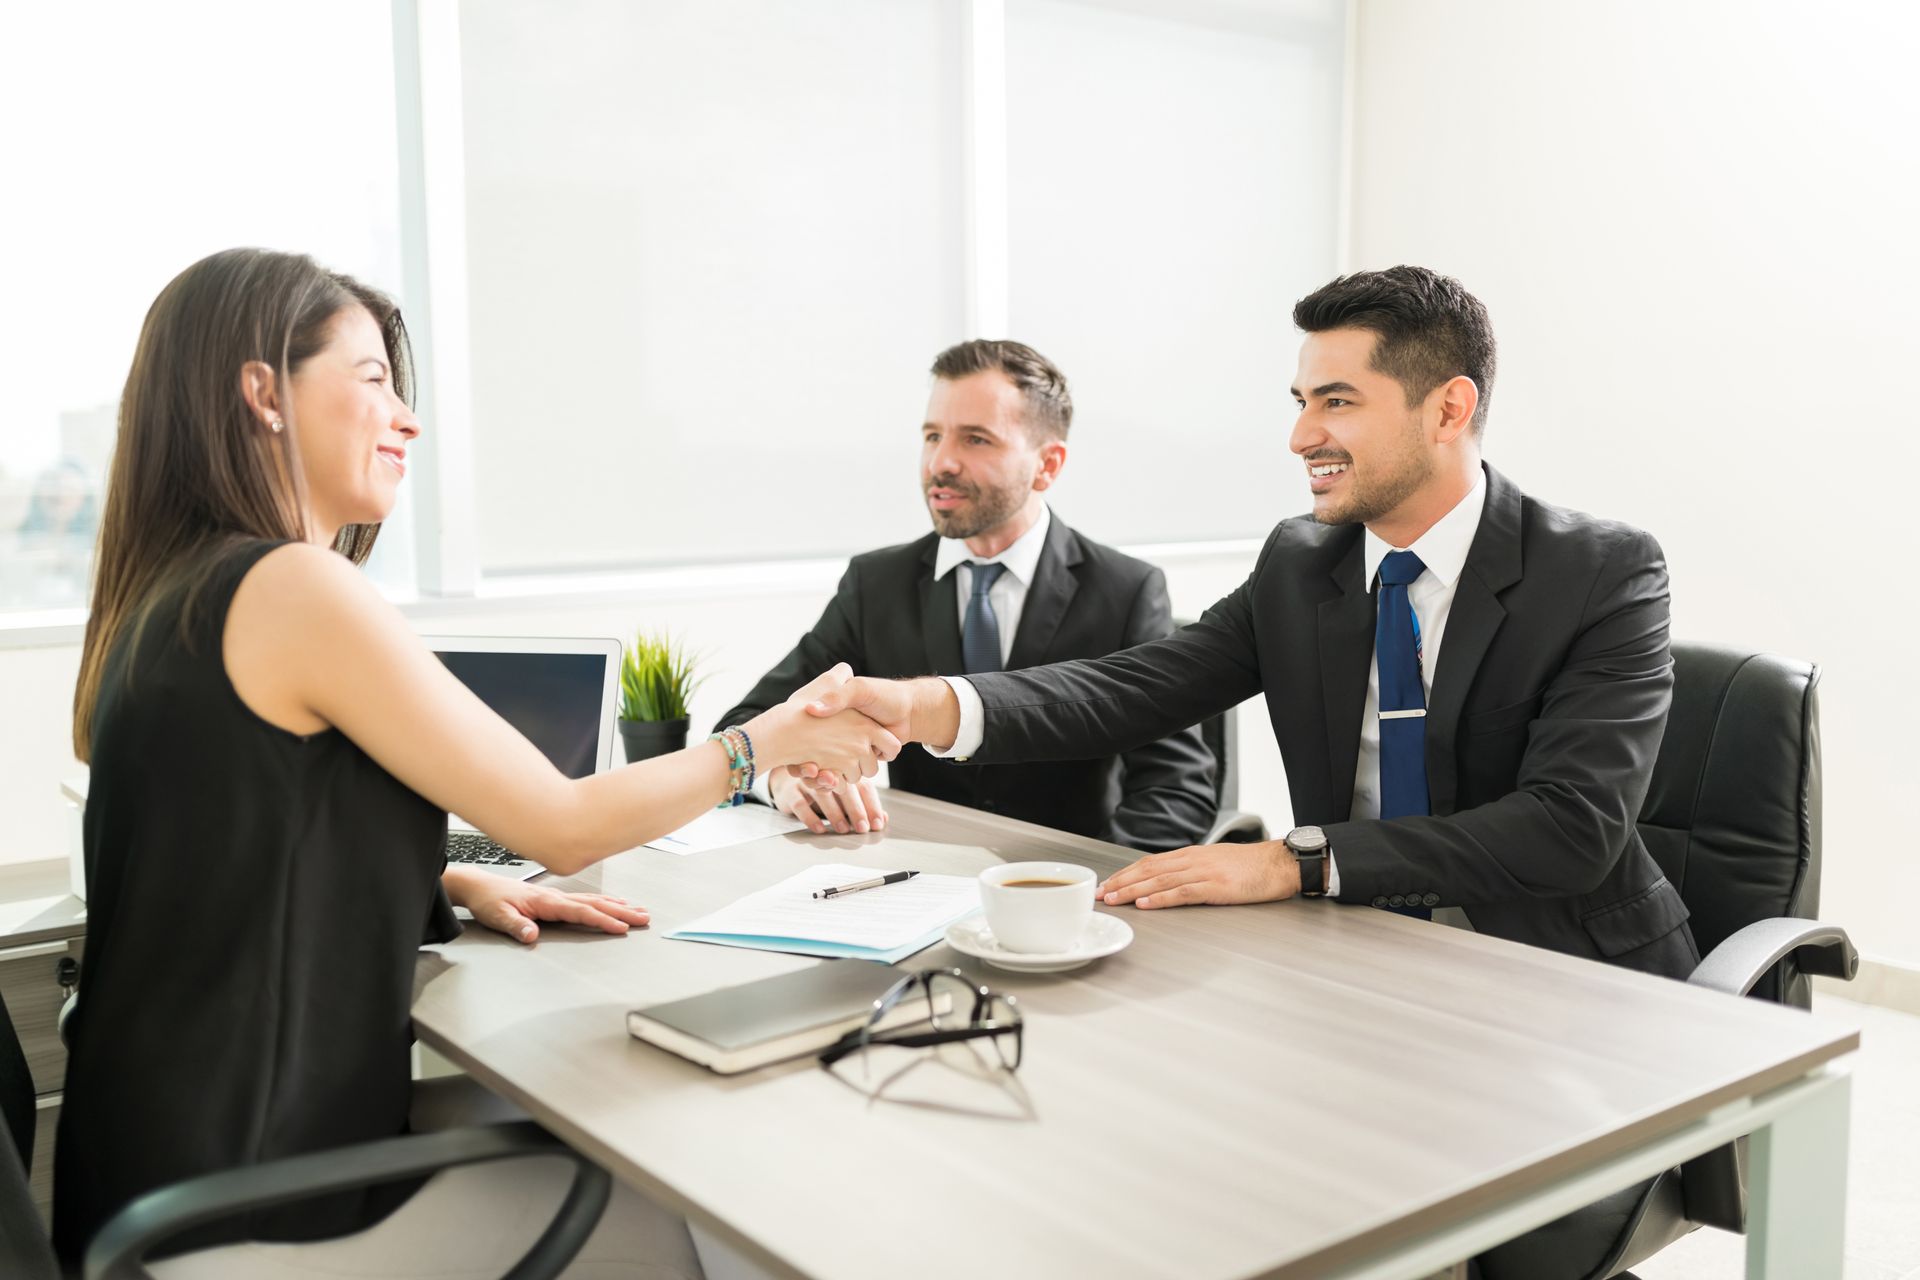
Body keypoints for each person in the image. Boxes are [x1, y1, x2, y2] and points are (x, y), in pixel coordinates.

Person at [55, 248, 898, 1274]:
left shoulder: (165, 597)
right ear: (262, 393)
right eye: (373, 380)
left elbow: (229, 828)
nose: (407, 416)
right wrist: (767, 742)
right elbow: (562, 821)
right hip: (249, 1210)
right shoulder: (291, 588)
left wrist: (439, 872)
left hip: (148, 1180)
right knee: (671, 1200)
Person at [803, 267, 1697, 981]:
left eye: (1337, 401)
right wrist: (928, 707)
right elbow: (1137, 684)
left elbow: (1571, 828)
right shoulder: (1302, 561)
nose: (1302, 435)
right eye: (1300, 402)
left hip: (1562, 972)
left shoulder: (1601, 571)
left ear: (1448, 410)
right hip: (1357, 959)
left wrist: (1294, 862)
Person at [714, 339, 1216, 850]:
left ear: (1048, 465)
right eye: (933, 436)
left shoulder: (1125, 591)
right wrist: (779, 779)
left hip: (1065, 897)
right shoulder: (877, 583)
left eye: (975, 440)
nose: (941, 462)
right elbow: (742, 727)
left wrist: (1096, 895)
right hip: (915, 884)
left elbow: (1176, 790)